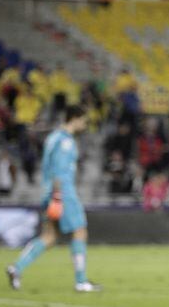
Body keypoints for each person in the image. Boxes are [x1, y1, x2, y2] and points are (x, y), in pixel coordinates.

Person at [6, 106, 101, 292]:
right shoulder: (65, 141)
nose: (84, 125)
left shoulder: (53, 137)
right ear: (74, 118)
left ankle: (16, 268)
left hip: (49, 191)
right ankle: (81, 281)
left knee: (49, 236)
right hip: (62, 192)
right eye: (83, 120)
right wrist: (58, 195)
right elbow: (59, 169)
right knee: (80, 230)